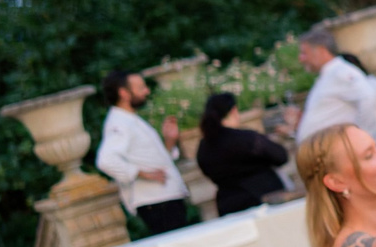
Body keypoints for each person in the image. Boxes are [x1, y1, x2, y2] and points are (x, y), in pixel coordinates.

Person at [96, 69, 190, 234]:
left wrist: (169, 141)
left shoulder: (130, 120)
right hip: (156, 203)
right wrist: (143, 174)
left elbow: (152, 160)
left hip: (165, 199)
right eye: (141, 88)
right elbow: (105, 160)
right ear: (124, 93)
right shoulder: (119, 123)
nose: (147, 91)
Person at [195, 91, 288, 216]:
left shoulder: (204, 147)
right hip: (264, 198)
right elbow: (280, 156)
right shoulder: (246, 139)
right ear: (233, 111)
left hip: (229, 204)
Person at [296, 27, 376, 150]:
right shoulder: (328, 75)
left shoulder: (341, 72)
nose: (301, 59)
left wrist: (363, 136)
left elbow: (369, 99)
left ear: (320, 50)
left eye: (304, 53)